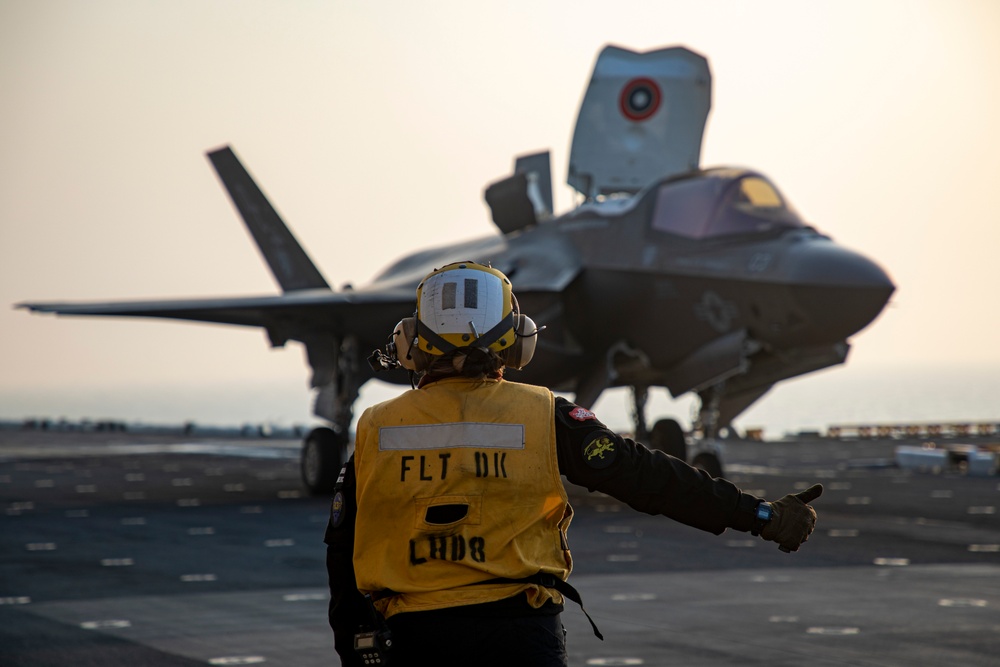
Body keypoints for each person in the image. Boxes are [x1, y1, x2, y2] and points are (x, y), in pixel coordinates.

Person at [325, 261, 822, 667]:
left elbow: (342, 551)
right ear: (516, 339)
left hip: (409, 642)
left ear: (411, 340)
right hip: (519, 639)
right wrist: (761, 516)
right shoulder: (545, 415)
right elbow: (650, 479)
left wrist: (355, 643)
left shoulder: (376, 429)